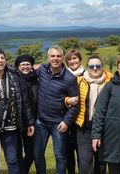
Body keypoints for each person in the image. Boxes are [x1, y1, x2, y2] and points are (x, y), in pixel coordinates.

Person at [34, 45, 80, 174]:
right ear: (48, 57)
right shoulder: (42, 70)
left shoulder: (70, 78)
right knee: (37, 154)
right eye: (52, 56)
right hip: (41, 121)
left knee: (60, 156)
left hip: (58, 123)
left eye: (58, 56)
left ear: (62, 58)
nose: (55, 59)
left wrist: (66, 122)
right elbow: (26, 74)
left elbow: (75, 103)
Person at [73, 55, 112, 174]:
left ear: (102, 67)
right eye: (91, 66)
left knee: (101, 163)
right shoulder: (79, 81)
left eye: (98, 66)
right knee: (85, 163)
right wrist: (66, 100)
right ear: (87, 67)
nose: (95, 68)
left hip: (104, 129)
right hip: (84, 128)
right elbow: (63, 93)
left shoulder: (111, 81)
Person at [14, 54, 39, 174]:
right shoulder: (13, 79)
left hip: (32, 122)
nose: (25, 67)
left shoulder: (37, 79)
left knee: (31, 152)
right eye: (22, 64)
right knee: (17, 152)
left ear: (32, 66)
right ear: (18, 67)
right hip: (17, 122)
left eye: (28, 64)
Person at [64, 49, 84, 174]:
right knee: (68, 153)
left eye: (75, 58)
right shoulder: (63, 76)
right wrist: (66, 100)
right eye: (69, 59)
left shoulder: (88, 74)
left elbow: (108, 77)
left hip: (82, 121)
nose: (72, 61)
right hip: (66, 120)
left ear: (80, 59)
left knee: (82, 154)